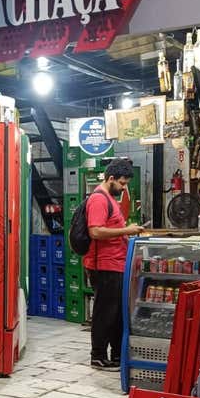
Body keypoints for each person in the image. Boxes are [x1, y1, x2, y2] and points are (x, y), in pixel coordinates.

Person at [84, 159, 144, 371]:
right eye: (122, 183)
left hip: (115, 265)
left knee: (115, 312)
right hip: (104, 266)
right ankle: (98, 356)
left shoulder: (109, 198)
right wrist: (126, 231)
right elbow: (96, 231)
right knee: (105, 312)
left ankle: (116, 355)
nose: (124, 187)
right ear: (110, 179)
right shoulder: (99, 200)